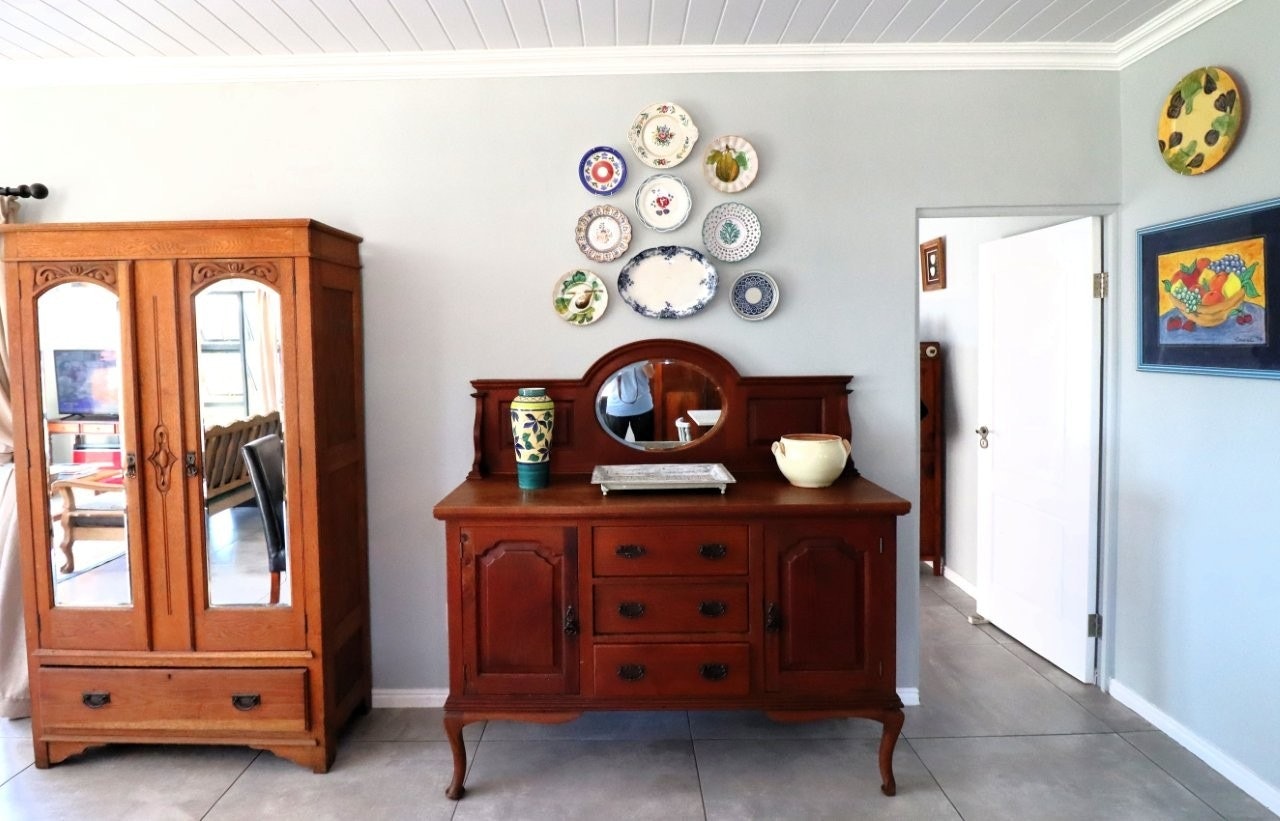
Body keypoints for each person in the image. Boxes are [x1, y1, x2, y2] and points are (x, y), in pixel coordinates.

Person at [602, 361, 655, 442]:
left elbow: (651, 374)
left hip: (642, 407)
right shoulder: (611, 356)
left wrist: (640, 360)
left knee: (645, 446)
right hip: (616, 408)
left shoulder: (640, 354)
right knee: (613, 446)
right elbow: (603, 378)